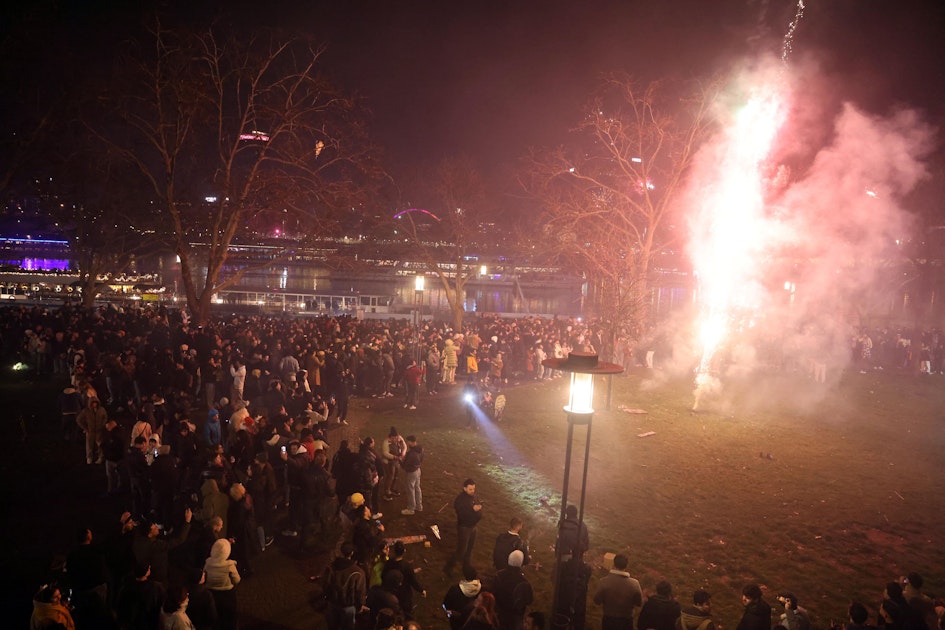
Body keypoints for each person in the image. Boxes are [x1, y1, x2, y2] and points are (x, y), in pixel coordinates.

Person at [321, 542, 367, 630]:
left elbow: (325, 585)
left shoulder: (331, 567)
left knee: (332, 626)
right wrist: (360, 605)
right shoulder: (358, 572)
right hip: (348, 607)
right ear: (352, 553)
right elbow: (360, 592)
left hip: (332, 604)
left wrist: (327, 598)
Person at [593, 554, 643, 630]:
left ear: (614, 564)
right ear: (626, 565)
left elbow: (597, 601)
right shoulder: (634, 584)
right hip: (626, 620)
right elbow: (639, 603)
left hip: (608, 619)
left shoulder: (604, 582)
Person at [445, 478, 483, 576]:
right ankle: (449, 566)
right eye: (470, 489)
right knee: (461, 551)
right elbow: (462, 516)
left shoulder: (473, 497)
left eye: (473, 489)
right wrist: (473, 510)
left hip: (473, 527)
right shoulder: (460, 500)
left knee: (470, 548)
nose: (472, 491)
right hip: (464, 528)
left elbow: (478, 509)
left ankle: (466, 565)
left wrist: (478, 510)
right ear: (464, 488)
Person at [384, 540, 427, 620]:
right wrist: (421, 590)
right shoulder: (406, 566)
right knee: (408, 614)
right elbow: (413, 580)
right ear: (404, 551)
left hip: (392, 593)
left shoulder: (388, 563)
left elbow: (383, 576)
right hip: (405, 594)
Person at [204, 538, 241, 630]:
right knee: (229, 615)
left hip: (211, 591)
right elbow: (237, 580)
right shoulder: (229, 565)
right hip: (227, 592)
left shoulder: (208, 563)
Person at [492, 549, 534, 630]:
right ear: (521, 563)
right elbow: (529, 600)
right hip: (515, 617)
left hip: (499, 613)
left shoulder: (498, 576)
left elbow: (492, 593)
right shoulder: (524, 582)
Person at [443, 566, 482, 630]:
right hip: (471, 618)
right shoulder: (480, 588)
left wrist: (449, 613)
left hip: (456, 619)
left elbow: (446, 603)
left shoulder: (455, 589)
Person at [76, 396, 108, 465]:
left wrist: (103, 425)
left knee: (100, 445)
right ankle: (89, 458)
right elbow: (79, 419)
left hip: (99, 431)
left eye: (95, 403)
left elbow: (105, 417)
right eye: (93, 403)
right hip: (90, 431)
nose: (94, 404)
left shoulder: (101, 410)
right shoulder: (86, 411)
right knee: (89, 446)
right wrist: (85, 428)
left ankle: (100, 457)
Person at [381, 427, 406, 501]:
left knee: (396, 475)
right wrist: (394, 457)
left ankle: (392, 488)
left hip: (396, 461)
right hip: (388, 462)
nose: (395, 439)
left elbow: (404, 446)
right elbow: (385, 453)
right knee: (390, 476)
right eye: (394, 437)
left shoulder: (399, 438)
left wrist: (403, 453)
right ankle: (386, 492)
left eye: (396, 437)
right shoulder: (386, 442)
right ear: (390, 437)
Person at [400, 435, 424, 516]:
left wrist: (400, 461)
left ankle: (411, 508)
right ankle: (419, 506)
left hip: (411, 472)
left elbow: (405, 465)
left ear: (411, 442)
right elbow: (421, 459)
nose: (407, 443)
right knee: (417, 488)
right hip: (418, 470)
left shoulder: (411, 454)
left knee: (410, 490)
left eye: (408, 442)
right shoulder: (420, 450)